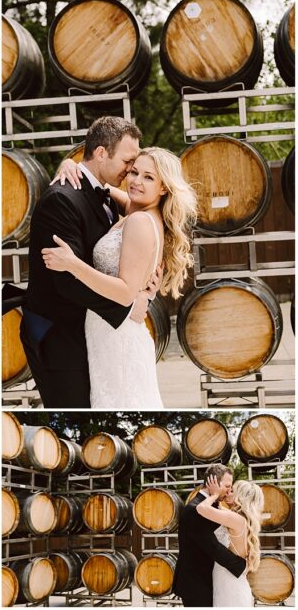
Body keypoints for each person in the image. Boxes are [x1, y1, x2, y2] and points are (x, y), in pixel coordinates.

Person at [19, 116, 158, 408]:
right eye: (128, 161)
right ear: (101, 153)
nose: (131, 170)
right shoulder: (62, 199)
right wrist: (129, 303)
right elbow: (65, 280)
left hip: (91, 331)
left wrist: (142, 293)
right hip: (58, 335)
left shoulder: (107, 195)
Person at [43, 146, 198, 408]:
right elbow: (95, 184)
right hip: (111, 331)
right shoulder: (137, 210)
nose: (136, 181)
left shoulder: (139, 221)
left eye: (149, 177)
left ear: (163, 188)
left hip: (117, 338)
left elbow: (126, 292)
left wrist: (73, 264)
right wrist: (69, 165)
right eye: (134, 172)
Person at [172, 464, 249, 607]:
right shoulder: (195, 509)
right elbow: (213, 547)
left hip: (207, 579)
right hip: (195, 583)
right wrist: (241, 566)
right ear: (213, 483)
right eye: (226, 486)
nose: (229, 490)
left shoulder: (211, 506)